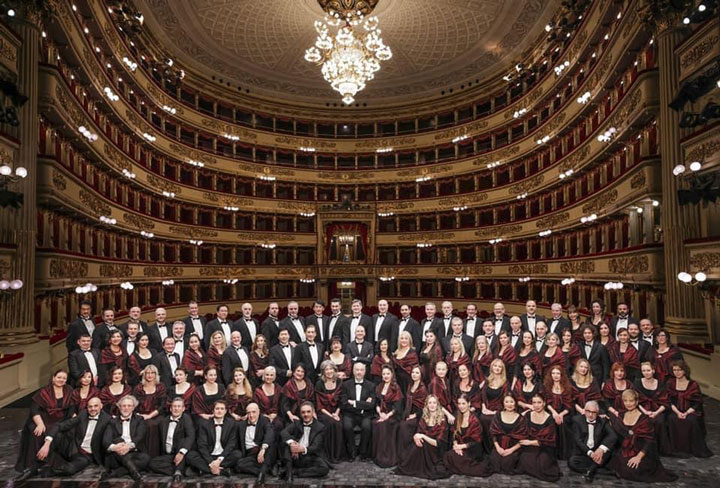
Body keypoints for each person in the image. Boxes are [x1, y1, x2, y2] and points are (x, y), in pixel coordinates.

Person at [15, 370, 75, 479]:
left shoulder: (69, 390)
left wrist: (71, 418)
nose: (61, 380)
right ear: (53, 378)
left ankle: (46, 464)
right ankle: (33, 465)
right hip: (43, 418)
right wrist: (40, 424)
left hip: (61, 419)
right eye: (59, 377)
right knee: (37, 432)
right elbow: (34, 410)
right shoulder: (43, 392)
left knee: (57, 431)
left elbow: (72, 407)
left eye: (64, 378)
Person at [609, 389, 677, 482]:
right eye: (625, 401)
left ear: (637, 402)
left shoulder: (644, 419)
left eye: (631, 401)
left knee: (634, 471)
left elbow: (649, 441)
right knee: (617, 466)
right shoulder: (621, 415)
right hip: (625, 450)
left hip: (642, 451)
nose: (628, 403)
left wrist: (638, 457)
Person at [38, 397, 111, 477]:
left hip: (87, 455)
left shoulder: (107, 419)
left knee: (70, 469)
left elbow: (110, 438)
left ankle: (48, 471)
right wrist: (47, 443)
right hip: (74, 447)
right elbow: (60, 426)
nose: (92, 409)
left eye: (95, 406)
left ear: (101, 406)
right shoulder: (83, 414)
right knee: (57, 434)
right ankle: (39, 464)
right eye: (90, 406)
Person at [394, 395, 450, 480]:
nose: (432, 405)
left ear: (438, 405)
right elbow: (418, 432)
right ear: (426, 405)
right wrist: (416, 436)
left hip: (435, 451)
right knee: (417, 445)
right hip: (424, 445)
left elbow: (438, 443)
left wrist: (423, 436)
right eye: (430, 403)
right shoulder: (424, 417)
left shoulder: (442, 420)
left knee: (423, 446)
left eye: (434, 403)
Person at [666, 360, 713, 457]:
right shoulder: (670, 383)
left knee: (691, 420)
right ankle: (677, 449)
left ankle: (691, 449)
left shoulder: (693, 384)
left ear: (684, 371)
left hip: (690, 411)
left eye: (679, 370)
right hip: (675, 410)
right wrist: (678, 413)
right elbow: (668, 401)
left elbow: (697, 403)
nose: (677, 372)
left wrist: (686, 413)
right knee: (672, 419)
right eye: (674, 370)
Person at [101, 395, 150, 481]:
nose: (126, 408)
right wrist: (115, 447)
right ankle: (135, 472)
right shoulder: (112, 422)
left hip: (134, 451)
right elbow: (106, 440)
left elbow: (140, 436)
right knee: (118, 440)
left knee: (146, 458)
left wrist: (128, 446)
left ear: (133, 408)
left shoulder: (139, 419)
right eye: (123, 406)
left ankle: (116, 473)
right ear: (119, 407)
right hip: (117, 454)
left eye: (129, 406)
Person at [186, 400, 240, 476]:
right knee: (190, 455)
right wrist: (210, 462)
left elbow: (231, 444)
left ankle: (204, 470)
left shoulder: (232, 423)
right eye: (217, 409)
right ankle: (220, 471)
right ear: (213, 411)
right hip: (208, 455)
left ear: (225, 411)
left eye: (222, 409)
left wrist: (219, 459)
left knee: (237, 454)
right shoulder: (204, 424)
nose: (219, 411)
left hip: (223, 456)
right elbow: (202, 445)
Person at [148, 397, 195, 483]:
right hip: (169, 455)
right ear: (170, 408)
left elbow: (190, 437)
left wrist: (181, 452)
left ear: (183, 409)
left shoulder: (186, 419)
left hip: (182, 452)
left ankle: (178, 472)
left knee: (182, 442)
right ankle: (182, 471)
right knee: (152, 463)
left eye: (179, 406)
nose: (176, 409)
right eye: (174, 406)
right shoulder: (164, 421)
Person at [279, 401, 329, 482]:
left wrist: (301, 449)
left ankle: (295, 472)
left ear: (313, 412)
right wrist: (292, 443)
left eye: (308, 412)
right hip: (295, 456)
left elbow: (316, 447)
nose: (306, 414)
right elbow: (283, 432)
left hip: (310, 456)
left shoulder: (320, 427)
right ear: (300, 414)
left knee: (324, 469)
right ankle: (289, 474)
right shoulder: (297, 423)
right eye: (303, 412)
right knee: (287, 446)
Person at [568, 400, 617, 482]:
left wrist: (601, 449)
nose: (590, 415)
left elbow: (613, 436)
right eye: (588, 411)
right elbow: (578, 441)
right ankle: (595, 469)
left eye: (594, 412)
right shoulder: (577, 420)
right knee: (571, 462)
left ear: (597, 413)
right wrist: (590, 453)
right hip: (585, 452)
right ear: (584, 410)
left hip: (598, 453)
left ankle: (590, 471)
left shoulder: (602, 421)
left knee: (608, 450)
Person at [517, 394, 562, 482]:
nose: (536, 405)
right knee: (524, 457)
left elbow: (550, 441)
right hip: (530, 446)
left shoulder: (549, 419)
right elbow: (522, 432)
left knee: (543, 463)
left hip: (545, 447)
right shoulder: (528, 415)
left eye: (539, 402)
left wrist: (530, 442)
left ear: (544, 403)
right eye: (534, 402)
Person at [442, 395, 491, 477]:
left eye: (463, 403)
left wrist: (462, 446)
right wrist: (456, 445)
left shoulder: (475, 420)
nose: (461, 406)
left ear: (469, 403)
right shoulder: (457, 416)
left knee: (452, 458)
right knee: (448, 456)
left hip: (472, 449)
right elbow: (454, 435)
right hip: (460, 447)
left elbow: (477, 441)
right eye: (459, 404)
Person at [340, 362, 376, 460]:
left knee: (367, 427)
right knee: (347, 427)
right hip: (349, 414)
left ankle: (363, 452)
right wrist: (364, 404)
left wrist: (355, 403)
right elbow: (344, 404)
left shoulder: (371, 385)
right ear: (353, 371)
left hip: (365, 415)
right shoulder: (345, 385)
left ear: (365, 371)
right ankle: (351, 452)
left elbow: (372, 405)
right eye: (357, 370)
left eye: (361, 370)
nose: (359, 372)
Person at [634, 361, 671, 455]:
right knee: (642, 420)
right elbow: (636, 401)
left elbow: (665, 402)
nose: (646, 373)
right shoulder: (637, 382)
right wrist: (645, 412)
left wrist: (656, 413)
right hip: (642, 409)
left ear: (653, 371)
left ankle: (658, 450)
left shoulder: (661, 384)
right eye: (644, 371)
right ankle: (642, 449)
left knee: (659, 421)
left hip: (657, 409)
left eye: (648, 370)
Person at [234, 402, 275, 484]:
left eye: (253, 412)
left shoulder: (264, 420)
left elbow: (269, 433)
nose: (251, 415)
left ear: (259, 412)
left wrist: (263, 448)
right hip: (250, 454)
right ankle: (264, 470)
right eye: (248, 413)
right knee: (239, 465)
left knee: (270, 447)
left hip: (262, 451)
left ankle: (261, 475)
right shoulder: (241, 425)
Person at [372, 364, 403, 467]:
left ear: (392, 374)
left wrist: (386, 416)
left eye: (388, 374)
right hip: (381, 413)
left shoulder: (396, 387)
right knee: (375, 424)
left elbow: (397, 407)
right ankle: (378, 455)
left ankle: (386, 457)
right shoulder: (379, 386)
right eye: (384, 374)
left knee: (383, 425)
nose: (386, 376)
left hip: (392, 415)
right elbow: (376, 403)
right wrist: (380, 413)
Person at [315, 360, 346, 463]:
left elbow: (342, 401)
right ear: (323, 372)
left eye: (331, 369)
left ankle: (338, 455)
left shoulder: (339, 382)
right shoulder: (319, 383)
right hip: (324, 411)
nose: (329, 371)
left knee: (339, 424)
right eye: (326, 369)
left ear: (334, 370)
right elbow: (319, 404)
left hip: (337, 411)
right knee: (330, 423)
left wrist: (336, 413)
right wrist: (331, 415)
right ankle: (329, 455)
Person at [488, 394, 528, 474]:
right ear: (503, 403)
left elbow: (523, 438)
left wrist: (511, 450)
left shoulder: (521, 419)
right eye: (506, 402)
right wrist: (498, 448)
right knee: (495, 465)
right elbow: (493, 434)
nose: (509, 404)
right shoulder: (498, 415)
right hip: (499, 447)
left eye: (511, 402)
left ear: (515, 403)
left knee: (507, 465)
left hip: (513, 448)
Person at [132, 365, 166, 457]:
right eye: (147, 373)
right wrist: (140, 415)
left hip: (156, 415)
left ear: (156, 375)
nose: (150, 375)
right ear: (144, 375)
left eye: (152, 373)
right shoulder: (138, 388)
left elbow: (162, 406)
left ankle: (155, 456)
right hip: (140, 415)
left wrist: (150, 416)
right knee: (143, 424)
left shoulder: (160, 387)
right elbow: (134, 405)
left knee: (153, 424)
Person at [397, 365, 428, 464]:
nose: (414, 375)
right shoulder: (410, 385)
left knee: (404, 426)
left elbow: (424, 407)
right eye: (413, 372)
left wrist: (414, 415)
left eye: (417, 373)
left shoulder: (422, 388)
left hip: (418, 416)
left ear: (421, 375)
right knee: (400, 424)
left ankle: (407, 456)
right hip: (408, 413)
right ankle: (401, 455)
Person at [544, 364, 574, 459]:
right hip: (551, 411)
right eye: (553, 373)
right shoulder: (547, 386)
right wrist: (554, 413)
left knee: (564, 423)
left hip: (565, 412)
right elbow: (546, 403)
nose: (555, 375)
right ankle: (552, 453)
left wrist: (560, 414)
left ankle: (564, 453)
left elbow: (569, 404)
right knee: (551, 422)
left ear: (561, 375)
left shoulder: (567, 387)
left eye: (558, 373)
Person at [480, 359, 509, 451]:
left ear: (502, 369)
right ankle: (485, 449)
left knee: (492, 419)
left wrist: (494, 412)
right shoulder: (487, 380)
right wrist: (484, 408)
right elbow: (482, 395)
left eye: (499, 366)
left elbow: (505, 400)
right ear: (492, 367)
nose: (497, 368)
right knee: (482, 418)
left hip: (499, 410)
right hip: (486, 408)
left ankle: (494, 448)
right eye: (495, 366)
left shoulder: (505, 383)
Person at [254, 366, 283, 432]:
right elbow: (256, 407)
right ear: (263, 375)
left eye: (271, 375)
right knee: (266, 425)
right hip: (262, 416)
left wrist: (275, 414)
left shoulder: (278, 388)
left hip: (277, 415)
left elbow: (281, 405)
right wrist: (265, 416)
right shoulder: (258, 390)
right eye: (267, 375)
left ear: (274, 376)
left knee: (278, 424)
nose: (269, 377)